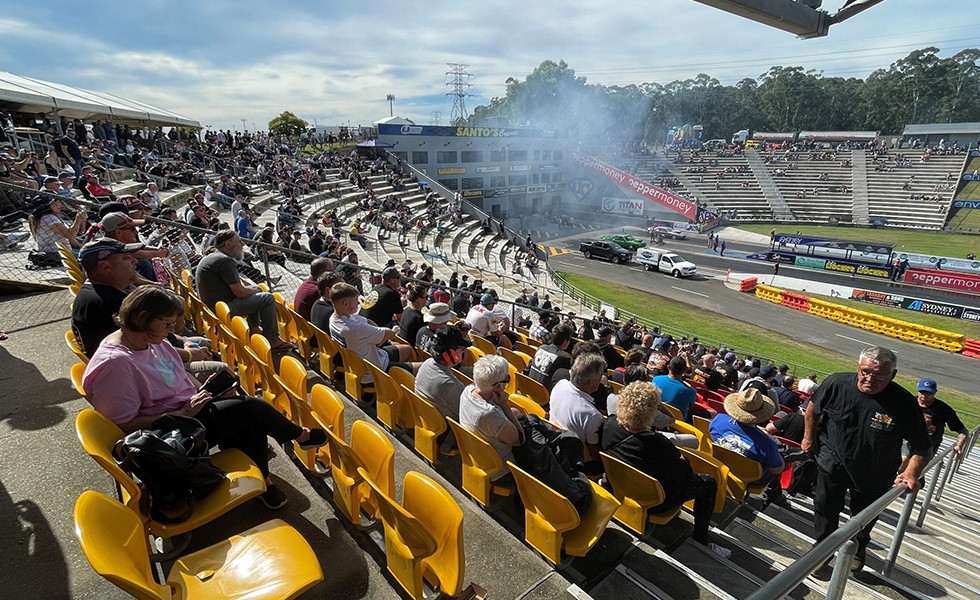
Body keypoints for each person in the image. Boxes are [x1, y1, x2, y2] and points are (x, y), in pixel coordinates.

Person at [80, 285, 327, 509]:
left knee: (246, 417)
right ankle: (299, 436)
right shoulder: (115, 365)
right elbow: (122, 426)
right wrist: (178, 413)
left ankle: (265, 479)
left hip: (189, 413)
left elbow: (177, 372)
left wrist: (201, 389)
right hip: (170, 436)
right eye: (168, 324)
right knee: (249, 408)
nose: (171, 330)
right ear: (144, 317)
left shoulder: (149, 339)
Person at [802, 346, 932, 574]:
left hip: (875, 473)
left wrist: (911, 472)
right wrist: (808, 438)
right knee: (824, 508)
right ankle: (822, 551)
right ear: (858, 367)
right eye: (865, 372)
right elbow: (813, 409)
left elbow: (922, 447)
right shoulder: (836, 383)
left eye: (878, 375)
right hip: (832, 463)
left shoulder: (903, 402)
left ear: (892, 375)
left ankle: (858, 548)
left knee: (863, 518)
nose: (869, 379)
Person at [602, 381, 730, 557]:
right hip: (656, 502)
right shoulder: (659, 444)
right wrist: (684, 460)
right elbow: (685, 476)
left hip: (623, 486)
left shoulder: (609, 425)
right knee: (708, 482)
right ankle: (701, 539)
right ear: (652, 413)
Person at [195, 230, 292, 350]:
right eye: (239, 241)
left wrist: (256, 291)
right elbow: (239, 292)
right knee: (268, 298)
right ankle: (272, 339)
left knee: (256, 288)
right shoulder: (224, 261)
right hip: (220, 309)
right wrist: (258, 292)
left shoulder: (215, 256)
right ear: (228, 244)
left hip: (215, 305)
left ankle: (254, 328)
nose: (242, 244)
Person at [329, 282, 418, 376]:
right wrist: (391, 332)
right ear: (345, 303)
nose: (358, 303)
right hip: (375, 371)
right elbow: (389, 333)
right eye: (355, 300)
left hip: (365, 360)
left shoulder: (334, 319)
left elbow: (367, 321)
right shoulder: (356, 329)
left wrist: (377, 334)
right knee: (420, 367)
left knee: (408, 350)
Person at [459, 354, 524, 481]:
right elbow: (520, 439)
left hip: (475, 454)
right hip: (500, 470)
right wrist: (504, 406)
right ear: (497, 386)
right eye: (507, 379)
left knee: (516, 412)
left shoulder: (467, 391)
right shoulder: (489, 413)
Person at [710, 388, 785, 483]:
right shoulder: (767, 444)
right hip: (749, 479)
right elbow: (777, 470)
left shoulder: (718, 419)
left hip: (717, 465)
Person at [899, 378, 969, 471]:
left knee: (915, 468)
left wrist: (959, 445)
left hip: (927, 446)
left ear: (934, 392)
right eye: (922, 392)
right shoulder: (909, 403)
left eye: (928, 393)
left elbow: (963, 430)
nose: (924, 396)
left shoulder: (943, 409)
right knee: (904, 459)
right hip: (907, 440)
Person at [549, 353, 606, 462]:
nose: (602, 379)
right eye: (600, 376)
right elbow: (595, 454)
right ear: (592, 382)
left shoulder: (560, 384)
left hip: (555, 443)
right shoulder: (592, 415)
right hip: (578, 460)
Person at [415, 326, 471, 424]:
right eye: (462, 348)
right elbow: (467, 416)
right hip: (446, 429)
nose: (463, 351)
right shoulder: (452, 385)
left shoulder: (427, 364)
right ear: (451, 353)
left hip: (425, 419)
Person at [527, 322, 574, 391]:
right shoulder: (565, 358)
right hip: (544, 394)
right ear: (565, 342)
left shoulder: (541, 347)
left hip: (528, 388)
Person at [654, 356, 704, 421]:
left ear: (668, 367)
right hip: (679, 422)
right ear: (685, 370)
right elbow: (691, 405)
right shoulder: (690, 391)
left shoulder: (656, 380)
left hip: (657, 416)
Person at [398, 283, 429, 350]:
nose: (427, 299)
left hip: (403, 344)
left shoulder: (406, 310)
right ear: (418, 300)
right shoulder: (419, 318)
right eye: (426, 297)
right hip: (411, 350)